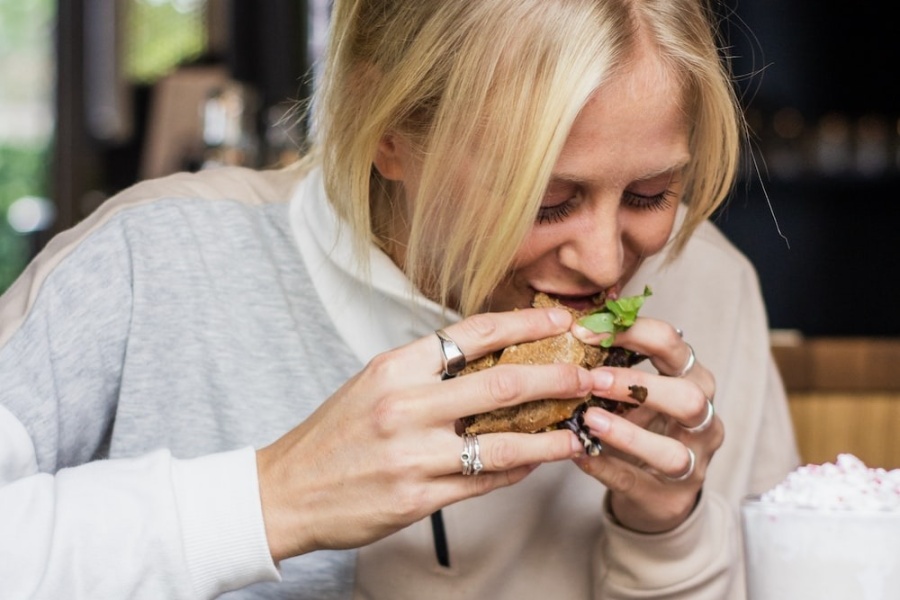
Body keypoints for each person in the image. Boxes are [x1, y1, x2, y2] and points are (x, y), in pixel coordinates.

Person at [0, 0, 800, 598]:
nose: (603, 259)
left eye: (652, 194)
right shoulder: (152, 263)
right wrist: (272, 496)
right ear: (388, 129)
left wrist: (667, 527)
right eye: (546, 199)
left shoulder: (714, 287)